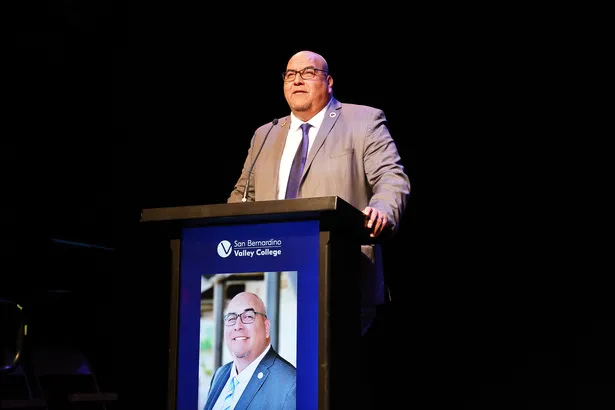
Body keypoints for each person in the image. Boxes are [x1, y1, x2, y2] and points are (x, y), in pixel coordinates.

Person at [227, 50, 410, 408]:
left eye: (309, 72)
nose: (296, 79)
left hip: (341, 279)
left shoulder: (362, 120)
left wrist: (382, 209)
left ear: (328, 82)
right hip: (269, 277)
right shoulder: (265, 134)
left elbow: (392, 177)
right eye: (290, 73)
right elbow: (241, 195)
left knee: (335, 389)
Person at [202, 292, 296, 410]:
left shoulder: (291, 384)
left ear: (266, 327)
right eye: (231, 318)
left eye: (248, 316)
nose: (237, 326)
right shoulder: (220, 375)